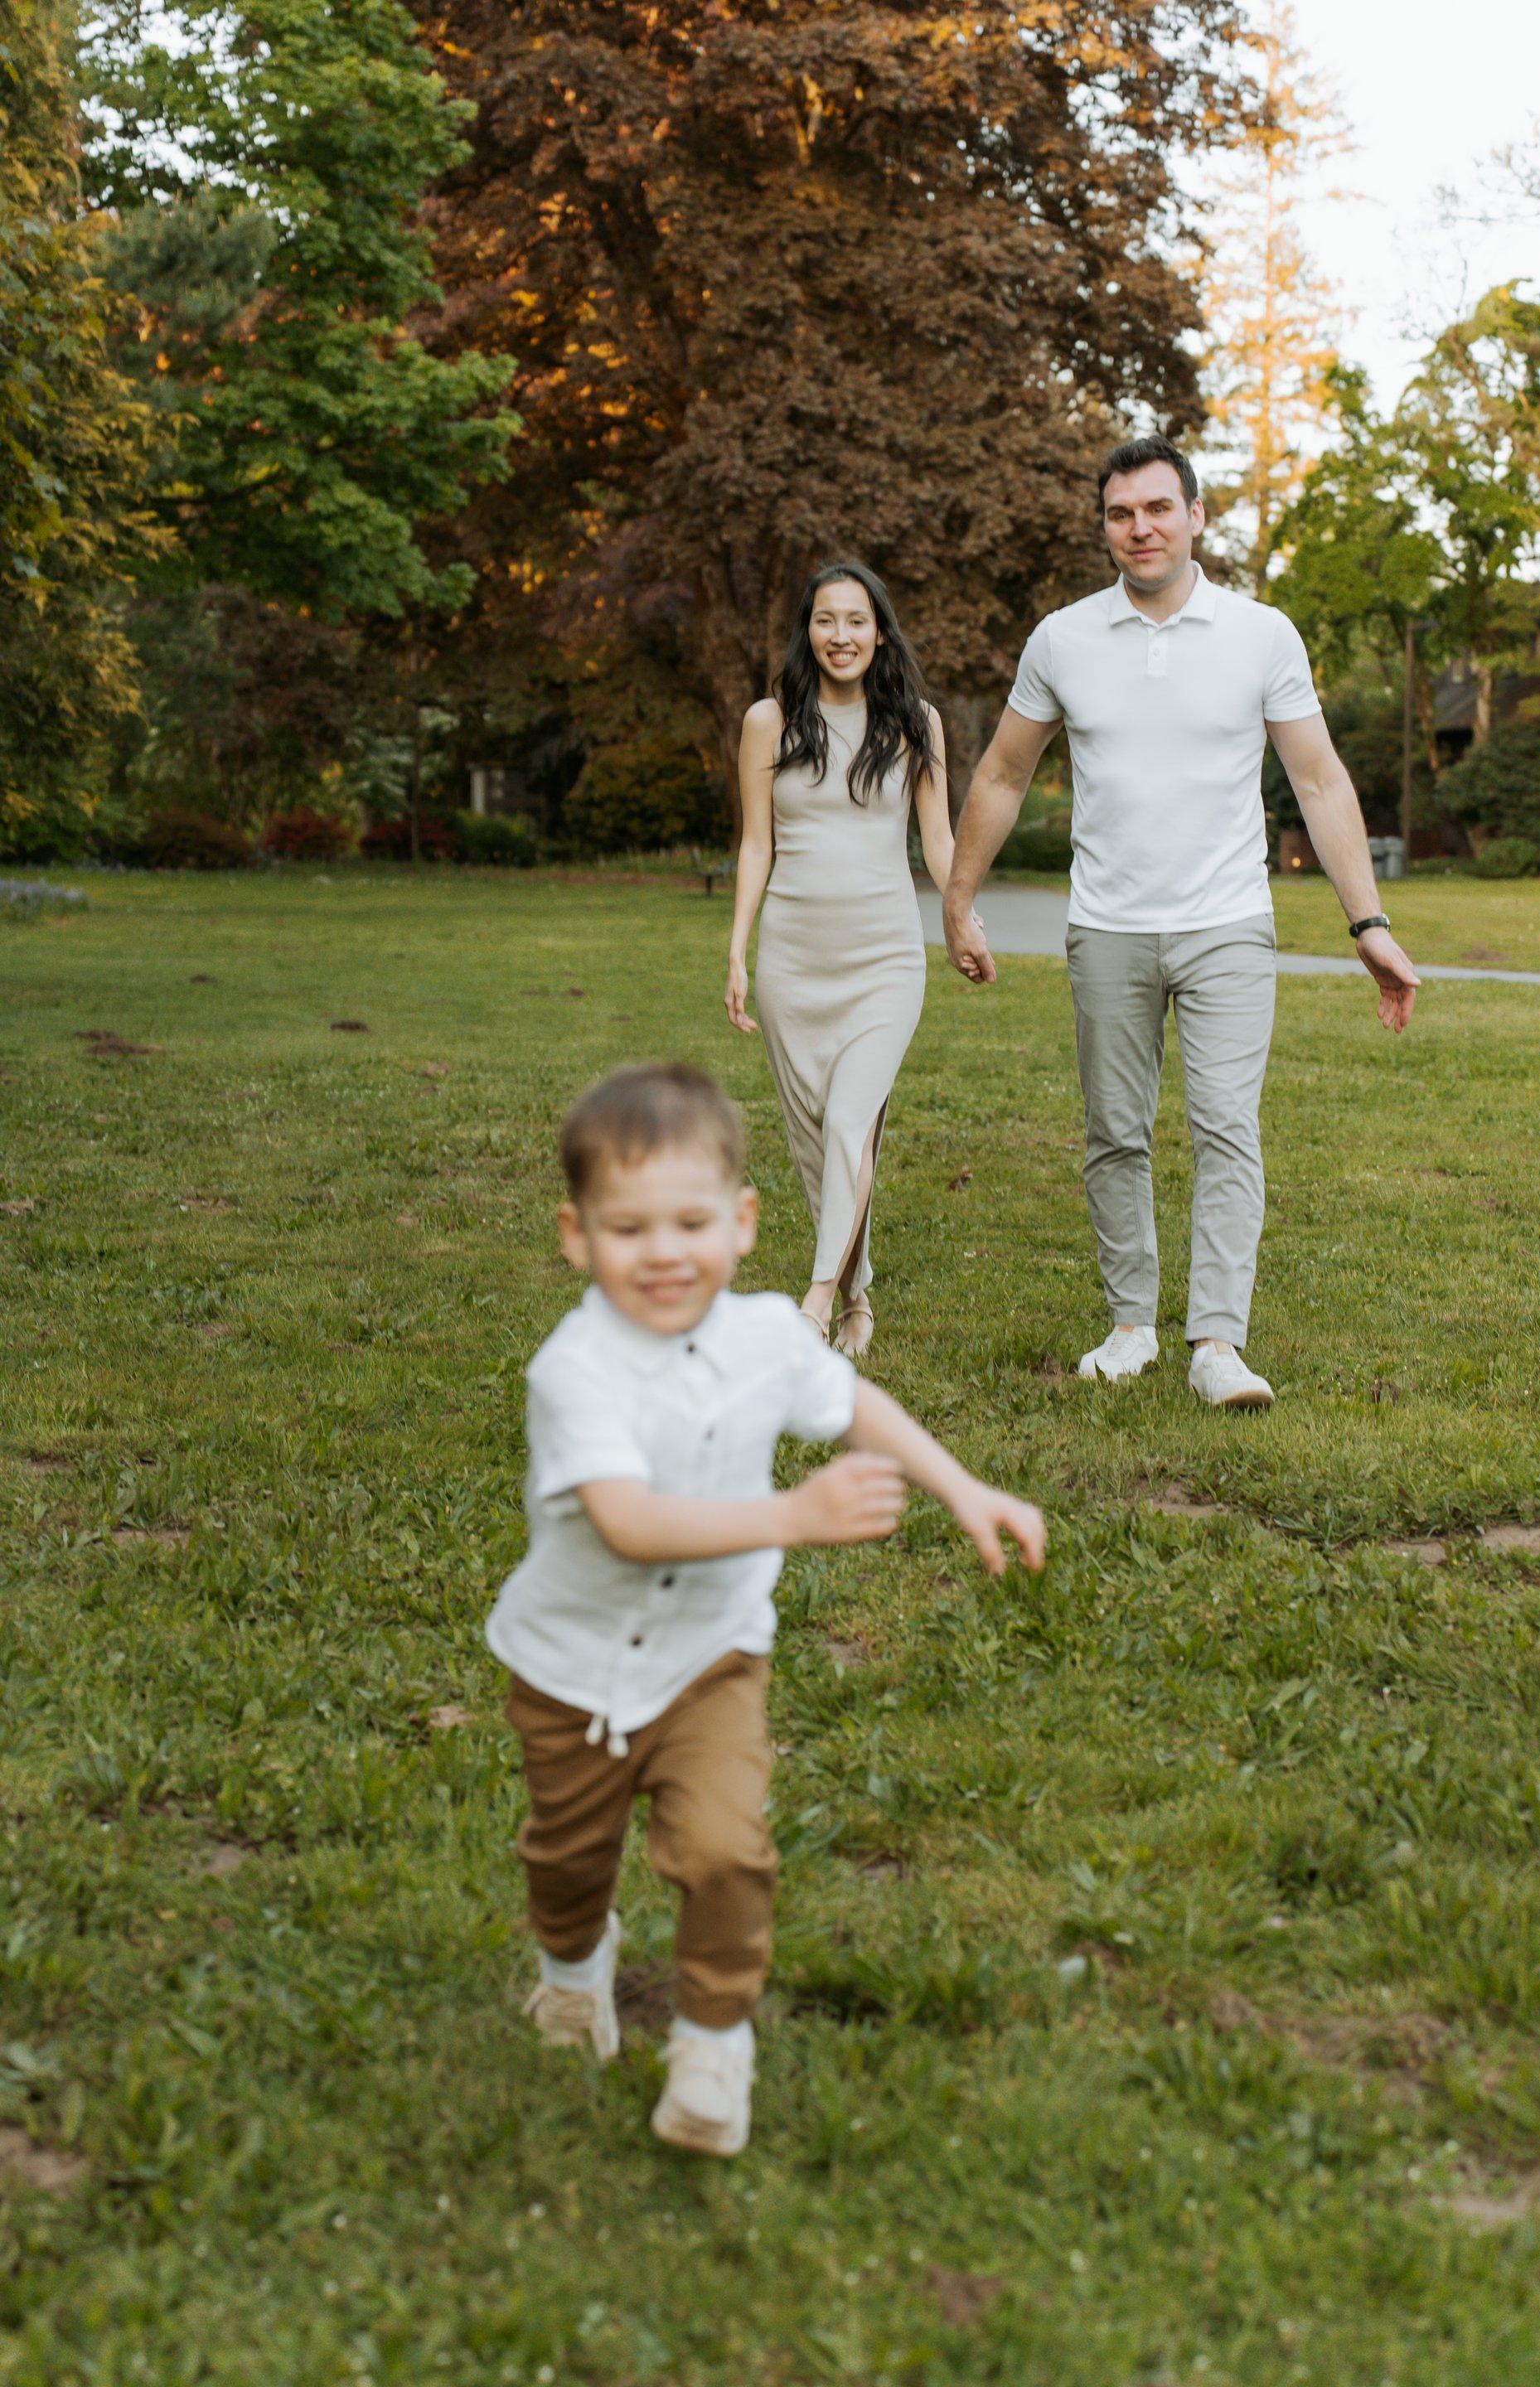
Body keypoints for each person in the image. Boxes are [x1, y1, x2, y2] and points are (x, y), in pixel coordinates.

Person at [487, 1063, 1046, 2158]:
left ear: (743, 1225)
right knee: (567, 1859)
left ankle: (711, 2047)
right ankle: (571, 1969)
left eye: (691, 1221)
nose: (664, 1252)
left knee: (725, 1849)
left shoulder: (765, 1339)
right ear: (575, 1235)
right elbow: (628, 1522)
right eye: (628, 1227)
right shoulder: (575, 1370)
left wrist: (964, 1487)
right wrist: (792, 1518)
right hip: (569, 1669)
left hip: (711, 1660)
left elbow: (854, 1405)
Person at [942, 434, 1420, 1409]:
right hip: (1108, 925)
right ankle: (1130, 1328)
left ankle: (1215, 1345)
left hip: (1229, 922)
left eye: (1158, 508)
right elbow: (1001, 771)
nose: (1141, 528)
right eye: (1121, 513)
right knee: (1115, 1131)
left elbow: (1319, 780)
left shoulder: (1261, 634)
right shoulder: (1062, 639)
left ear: (1196, 516)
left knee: (1225, 1128)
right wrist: (956, 899)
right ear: (1105, 527)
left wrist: (1366, 921)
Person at [724, 561, 957, 1358]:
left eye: (856, 621)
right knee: (818, 1144)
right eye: (826, 621)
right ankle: (860, 1296)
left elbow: (940, 840)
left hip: (885, 958)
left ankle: (816, 1303)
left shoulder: (916, 723)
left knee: (853, 1123)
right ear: (808, 631)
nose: (841, 636)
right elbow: (757, 843)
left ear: (880, 631)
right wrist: (736, 951)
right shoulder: (769, 721)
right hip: (793, 958)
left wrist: (963, 921)